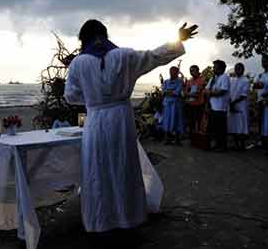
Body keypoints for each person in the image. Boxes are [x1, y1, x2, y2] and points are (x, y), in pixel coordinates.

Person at [64, 19, 197, 232]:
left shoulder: (78, 63)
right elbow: (154, 56)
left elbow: (71, 96)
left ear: (84, 38)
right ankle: (128, 220)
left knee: (98, 169)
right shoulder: (125, 56)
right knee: (123, 166)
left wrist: (92, 98)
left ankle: (100, 223)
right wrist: (178, 39)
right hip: (121, 120)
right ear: (104, 35)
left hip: (96, 121)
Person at [206, 60, 231, 152]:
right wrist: (212, 93)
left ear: (221, 68)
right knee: (214, 128)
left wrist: (211, 93)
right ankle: (216, 144)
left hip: (221, 107)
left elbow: (222, 91)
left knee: (221, 128)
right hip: (212, 106)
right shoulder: (213, 78)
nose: (213, 69)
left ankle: (222, 146)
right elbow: (206, 90)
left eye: (215, 67)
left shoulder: (225, 77)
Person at [227, 63, 250, 150]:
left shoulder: (246, 80)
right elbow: (229, 93)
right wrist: (230, 102)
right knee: (233, 125)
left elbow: (244, 95)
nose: (237, 70)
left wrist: (233, 102)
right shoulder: (232, 80)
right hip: (232, 105)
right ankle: (236, 144)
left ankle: (242, 145)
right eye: (236, 68)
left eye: (239, 68)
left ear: (243, 69)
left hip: (241, 105)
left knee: (241, 126)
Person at [162, 66, 184, 145]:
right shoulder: (166, 81)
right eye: (171, 71)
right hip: (167, 104)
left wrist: (168, 91)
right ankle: (167, 139)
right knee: (167, 121)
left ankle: (177, 140)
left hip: (176, 105)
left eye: (174, 71)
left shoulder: (180, 82)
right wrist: (170, 91)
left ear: (177, 73)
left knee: (177, 121)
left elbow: (176, 93)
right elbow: (163, 92)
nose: (172, 73)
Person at [253, 55, 268, 140]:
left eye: (265, 61)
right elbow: (254, 86)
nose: (263, 63)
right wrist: (262, 85)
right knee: (260, 120)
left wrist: (262, 85)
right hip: (260, 100)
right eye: (262, 61)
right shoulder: (260, 74)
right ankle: (262, 139)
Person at [185, 65, 207, 133]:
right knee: (191, 123)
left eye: (193, 71)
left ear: (197, 71)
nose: (191, 72)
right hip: (190, 105)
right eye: (190, 71)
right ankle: (193, 138)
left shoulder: (202, 80)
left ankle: (199, 137)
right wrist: (189, 94)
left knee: (199, 122)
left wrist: (188, 94)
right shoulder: (189, 81)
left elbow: (197, 94)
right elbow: (185, 92)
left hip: (199, 105)